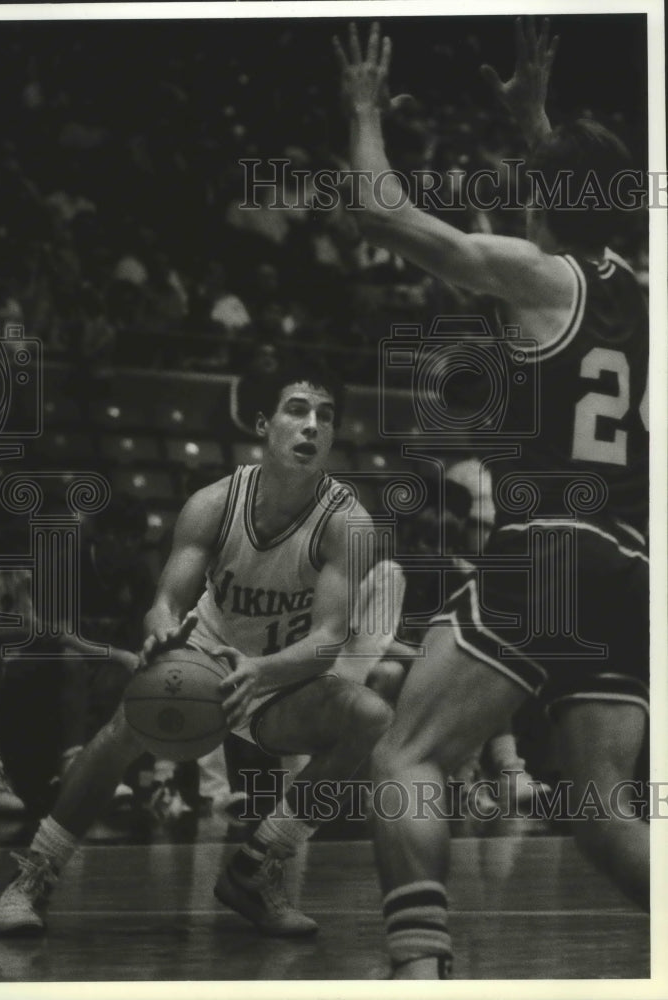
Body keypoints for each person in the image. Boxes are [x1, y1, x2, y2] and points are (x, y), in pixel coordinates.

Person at [334, 19, 649, 977]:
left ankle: (420, 968)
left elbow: (383, 216)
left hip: (545, 546)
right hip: (630, 561)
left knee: (406, 758)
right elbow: (576, 213)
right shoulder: (639, 288)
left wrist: (360, 113)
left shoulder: (534, 275)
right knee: (597, 808)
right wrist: (539, 127)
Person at [0, 358, 393, 937]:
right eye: (297, 410)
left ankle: (256, 869)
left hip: (278, 677)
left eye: (325, 417)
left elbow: (329, 640)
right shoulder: (213, 502)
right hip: (204, 653)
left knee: (370, 715)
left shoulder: (347, 523)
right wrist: (159, 629)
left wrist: (264, 669)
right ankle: (35, 872)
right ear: (263, 423)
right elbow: (166, 601)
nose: (312, 426)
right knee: (124, 728)